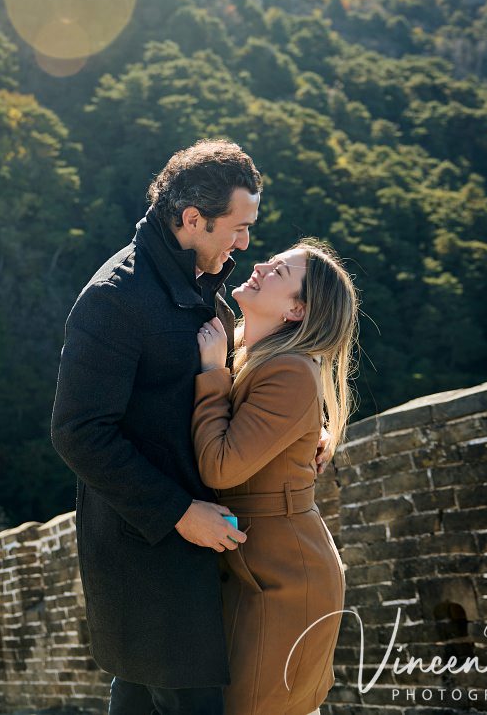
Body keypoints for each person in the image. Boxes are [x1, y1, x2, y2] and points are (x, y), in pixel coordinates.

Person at [51, 140, 262, 715]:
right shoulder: (115, 299)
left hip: (188, 547)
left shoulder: (198, 273)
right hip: (148, 556)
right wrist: (178, 513)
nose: (246, 242)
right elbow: (78, 432)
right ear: (192, 219)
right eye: (238, 228)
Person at [192, 238, 358, 715]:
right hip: (256, 561)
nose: (262, 265)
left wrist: (209, 374)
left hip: (285, 578)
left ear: (296, 310)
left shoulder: (287, 370)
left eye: (281, 272)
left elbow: (220, 465)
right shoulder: (251, 353)